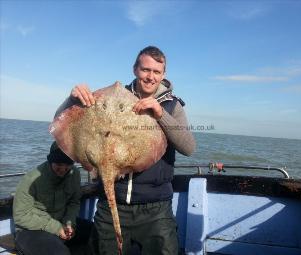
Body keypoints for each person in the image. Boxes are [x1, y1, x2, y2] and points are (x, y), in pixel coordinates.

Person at [55, 46, 196, 254]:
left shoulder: (171, 105)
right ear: (135, 69)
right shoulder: (108, 98)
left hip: (156, 209)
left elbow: (189, 147)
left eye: (156, 72)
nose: (150, 77)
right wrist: (72, 99)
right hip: (112, 203)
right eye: (145, 70)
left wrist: (159, 114)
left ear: (163, 74)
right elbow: (61, 124)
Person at [13, 141, 81, 255]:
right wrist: (56, 228)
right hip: (31, 230)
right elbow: (20, 216)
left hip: (61, 223)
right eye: (59, 164)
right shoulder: (31, 179)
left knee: (97, 234)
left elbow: (74, 202)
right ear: (50, 161)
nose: (64, 168)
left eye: (68, 164)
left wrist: (69, 223)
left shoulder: (74, 174)